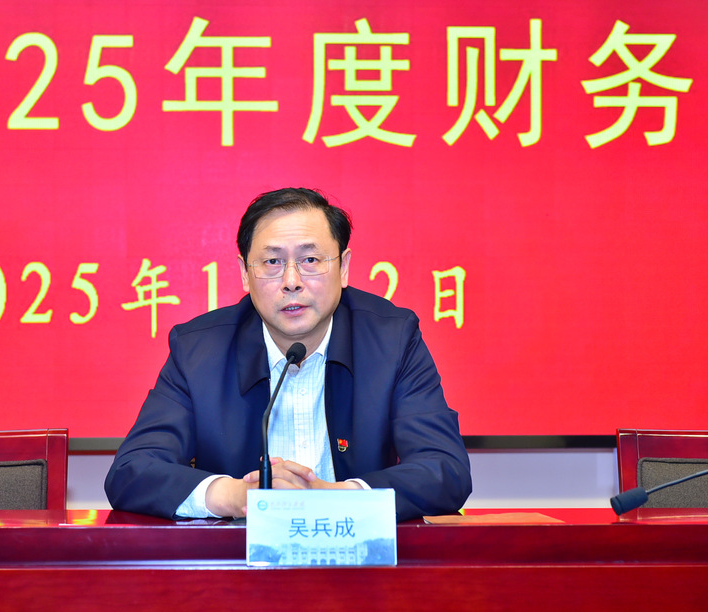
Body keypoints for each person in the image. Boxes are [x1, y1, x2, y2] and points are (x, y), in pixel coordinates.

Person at [105, 188, 472, 521]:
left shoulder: (392, 339)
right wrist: (236, 496)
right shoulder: (198, 350)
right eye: (272, 262)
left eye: (310, 259)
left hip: (359, 562)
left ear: (343, 267)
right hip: (238, 564)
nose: (292, 281)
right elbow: (131, 471)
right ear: (245, 275)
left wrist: (338, 498)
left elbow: (445, 469)